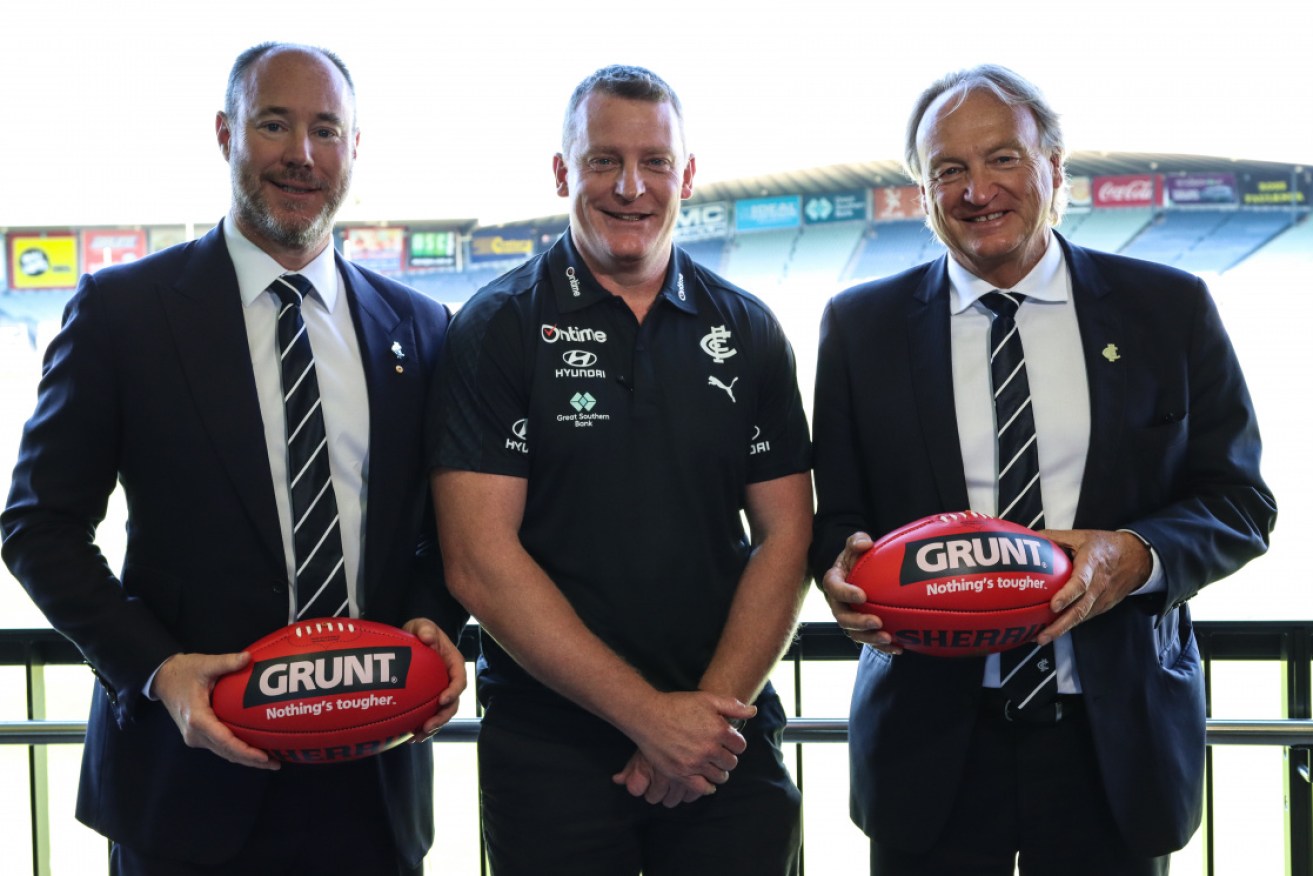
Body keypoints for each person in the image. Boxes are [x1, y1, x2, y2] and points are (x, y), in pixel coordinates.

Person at [1, 42, 467, 876]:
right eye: (274, 124)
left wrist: (435, 628)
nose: (301, 153)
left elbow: (448, 534)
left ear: (354, 148)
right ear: (226, 133)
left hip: (371, 778)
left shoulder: (421, 328)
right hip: (188, 781)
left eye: (327, 129)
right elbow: (39, 527)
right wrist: (158, 672)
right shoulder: (124, 314)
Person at [812, 64, 1277, 876]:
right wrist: (842, 572)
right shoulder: (861, 327)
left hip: (1113, 742)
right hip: (929, 742)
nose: (975, 190)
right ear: (921, 194)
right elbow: (835, 517)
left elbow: (1238, 503)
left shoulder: (1168, 309)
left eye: (1001, 159)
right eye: (946, 170)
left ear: (1052, 169)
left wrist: (1130, 556)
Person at [430, 65, 812, 875]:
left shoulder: (748, 329)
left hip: (724, 732)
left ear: (688, 175)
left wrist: (698, 728)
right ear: (563, 172)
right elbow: (479, 562)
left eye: (655, 162)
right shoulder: (495, 329)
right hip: (550, 749)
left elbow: (786, 534)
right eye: (603, 161)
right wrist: (648, 719)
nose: (630, 187)